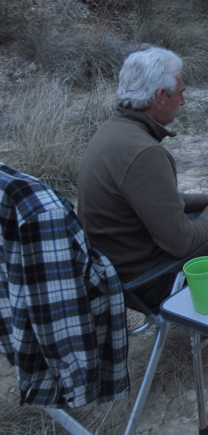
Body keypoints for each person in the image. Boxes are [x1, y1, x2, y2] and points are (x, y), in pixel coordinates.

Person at [78, 47, 208, 306]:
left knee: (201, 219)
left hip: (115, 269)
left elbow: (158, 201)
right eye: (180, 93)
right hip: (149, 281)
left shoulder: (112, 132)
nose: (183, 101)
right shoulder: (145, 153)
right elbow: (181, 243)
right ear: (161, 96)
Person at [1, 162, 129, 407]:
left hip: (14, 323)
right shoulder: (37, 207)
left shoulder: (9, 189)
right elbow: (61, 314)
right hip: (127, 288)